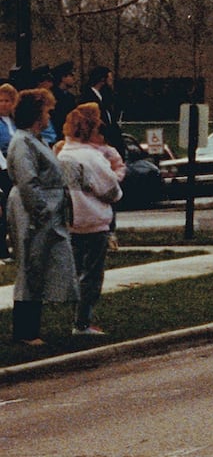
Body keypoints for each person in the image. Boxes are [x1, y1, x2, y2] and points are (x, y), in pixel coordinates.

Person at [6, 88, 77, 346]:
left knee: (42, 266)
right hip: (33, 211)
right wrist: (41, 212)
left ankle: (33, 328)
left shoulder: (36, 140)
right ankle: (26, 331)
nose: (50, 115)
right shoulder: (22, 142)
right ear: (37, 113)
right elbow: (28, 181)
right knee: (30, 266)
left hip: (48, 211)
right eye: (47, 110)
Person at [57, 106, 121, 336]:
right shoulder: (92, 157)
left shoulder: (63, 154)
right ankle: (83, 321)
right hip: (94, 220)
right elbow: (111, 189)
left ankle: (77, 316)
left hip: (71, 220)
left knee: (76, 271)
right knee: (92, 275)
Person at [86, 66, 125, 158]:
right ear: (102, 80)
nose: (111, 82)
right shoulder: (89, 98)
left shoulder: (104, 98)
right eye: (109, 79)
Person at [0, 83, 17, 259]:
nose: (4, 104)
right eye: (1, 101)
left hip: (17, 169)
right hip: (2, 170)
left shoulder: (15, 122)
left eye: (8, 101)